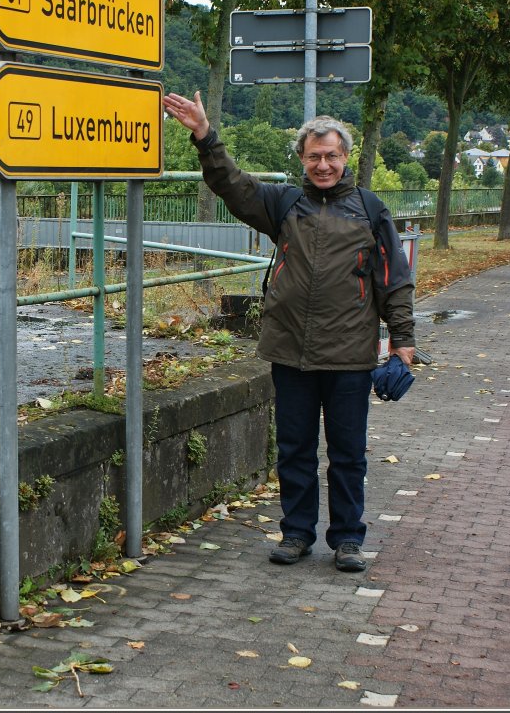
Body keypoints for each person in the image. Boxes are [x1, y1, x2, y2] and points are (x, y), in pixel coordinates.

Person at [162, 91, 415, 572]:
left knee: (347, 454)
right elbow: (232, 186)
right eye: (315, 156)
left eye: (332, 156)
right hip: (291, 353)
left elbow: (393, 279)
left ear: (346, 158)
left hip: (349, 357)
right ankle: (297, 533)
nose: (323, 164)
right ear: (302, 158)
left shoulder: (371, 210)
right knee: (294, 450)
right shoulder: (284, 203)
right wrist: (203, 135)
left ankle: (347, 539)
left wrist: (403, 341)